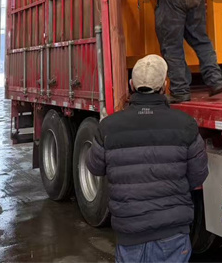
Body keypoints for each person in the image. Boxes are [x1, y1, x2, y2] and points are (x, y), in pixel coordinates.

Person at [86, 54, 208, 262]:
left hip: (129, 234)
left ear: (132, 85)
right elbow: (198, 175)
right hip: (172, 232)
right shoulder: (185, 124)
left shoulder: (108, 127)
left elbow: (94, 167)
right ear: (165, 86)